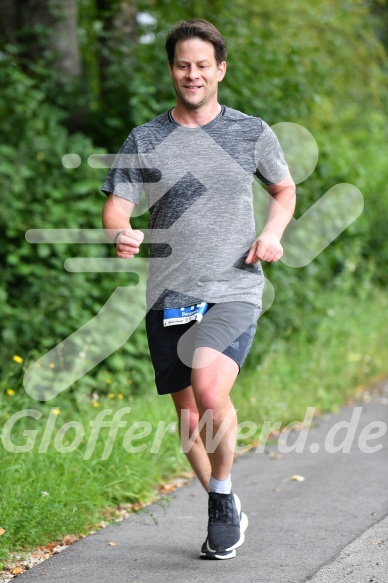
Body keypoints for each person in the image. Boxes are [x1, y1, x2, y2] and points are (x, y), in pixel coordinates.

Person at [101, 18, 296, 560]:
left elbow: (284, 188)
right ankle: (220, 501)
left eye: (203, 65)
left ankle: (223, 491)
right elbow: (117, 203)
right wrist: (122, 231)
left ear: (220, 70)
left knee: (210, 389)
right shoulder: (146, 138)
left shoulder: (249, 131)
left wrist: (272, 234)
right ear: (171, 70)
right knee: (188, 412)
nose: (192, 74)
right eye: (183, 64)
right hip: (169, 295)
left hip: (233, 285)